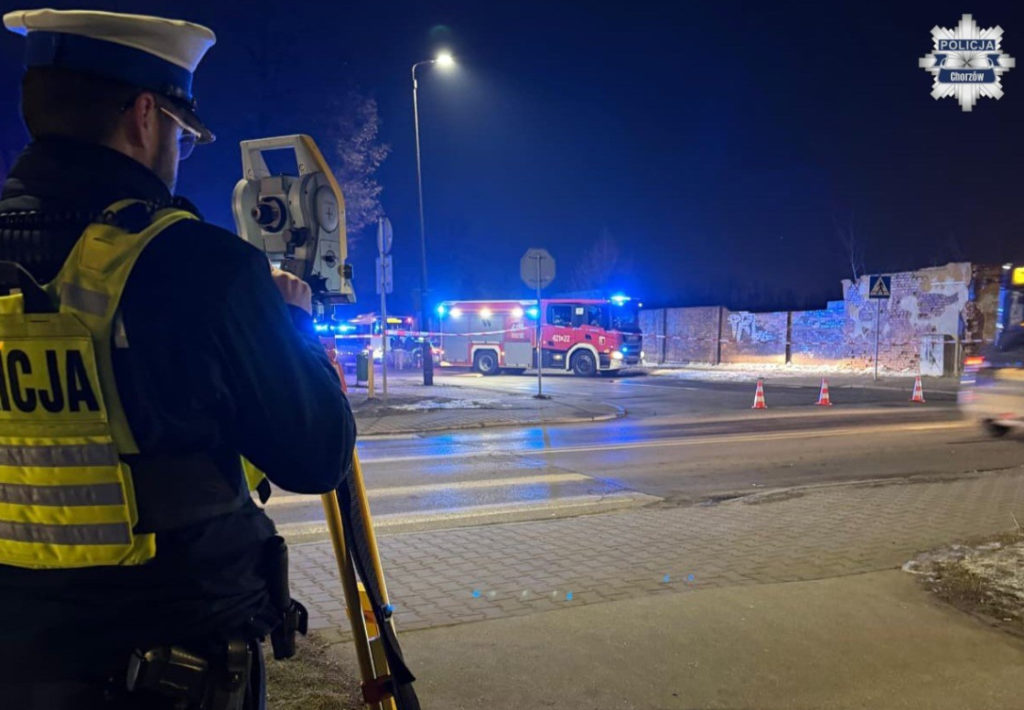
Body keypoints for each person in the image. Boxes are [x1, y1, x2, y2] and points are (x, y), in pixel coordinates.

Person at [0, 8, 356, 709]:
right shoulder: (198, 265)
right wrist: (292, 324)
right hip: (169, 667)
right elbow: (318, 456)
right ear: (144, 114)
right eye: (181, 134)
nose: (177, 152)